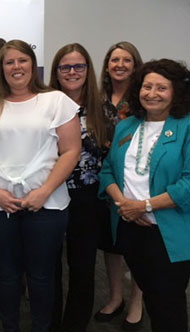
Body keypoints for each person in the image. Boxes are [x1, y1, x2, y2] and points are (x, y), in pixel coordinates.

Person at [0, 39, 81, 332]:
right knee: (6, 276)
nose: (16, 67)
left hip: (48, 204)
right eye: (9, 62)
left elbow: (71, 151)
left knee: (42, 277)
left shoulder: (56, 101)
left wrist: (44, 192)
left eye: (22, 60)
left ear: (33, 64)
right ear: (0, 69)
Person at [98, 59, 190, 332]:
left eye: (161, 87)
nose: (152, 93)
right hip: (130, 229)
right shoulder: (127, 127)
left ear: (176, 92)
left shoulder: (185, 127)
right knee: (152, 297)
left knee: (169, 305)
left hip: (169, 234)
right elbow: (107, 173)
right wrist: (125, 205)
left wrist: (144, 206)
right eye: (147, 86)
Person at [48, 43, 116, 332]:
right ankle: (49, 323)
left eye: (79, 66)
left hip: (88, 197)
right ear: (56, 71)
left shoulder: (104, 110)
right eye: (65, 67)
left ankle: (73, 325)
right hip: (49, 193)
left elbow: (112, 157)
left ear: (88, 70)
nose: (72, 72)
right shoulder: (43, 104)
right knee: (47, 266)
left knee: (82, 266)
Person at [95, 41, 145, 330]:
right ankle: (115, 297)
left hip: (134, 182)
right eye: (114, 60)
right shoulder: (99, 97)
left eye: (126, 60)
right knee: (110, 245)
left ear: (135, 65)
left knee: (136, 246)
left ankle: (137, 300)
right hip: (103, 182)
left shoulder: (143, 98)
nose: (120, 65)